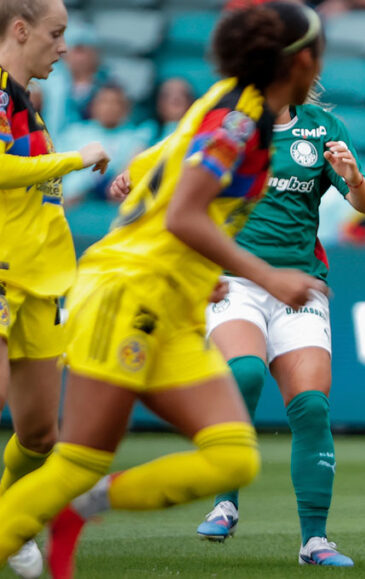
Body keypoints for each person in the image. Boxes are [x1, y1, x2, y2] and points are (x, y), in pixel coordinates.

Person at [0, 4, 327, 578]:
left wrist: (195, 270)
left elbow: (160, 172)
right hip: (126, 294)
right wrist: (268, 276)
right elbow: (183, 214)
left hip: (170, 302)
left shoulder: (229, 103)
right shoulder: (237, 124)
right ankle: (62, 501)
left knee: (234, 458)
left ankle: (83, 506)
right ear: (301, 62)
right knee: (79, 458)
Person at [186, 99, 365, 566]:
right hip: (235, 280)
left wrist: (354, 179)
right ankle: (225, 501)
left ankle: (314, 541)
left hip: (299, 284)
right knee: (245, 373)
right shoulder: (226, 122)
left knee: (311, 406)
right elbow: (181, 185)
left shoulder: (323, 128)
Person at [0, 0, 110, 575]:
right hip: (1, 273)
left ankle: (8, 515)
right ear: (21, 30)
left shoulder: (27, 106)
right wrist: (72, 160)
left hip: (40, 283)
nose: (64, 48)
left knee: (40, 435)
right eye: (56, 34)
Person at [61, 83, 149, 204]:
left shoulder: (136, 140)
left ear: (126, 109)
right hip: (65, 202)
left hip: (108, 204)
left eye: (116, 103)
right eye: (104, 102)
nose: (109, 107)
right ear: (93, 106)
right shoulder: (73, 133)